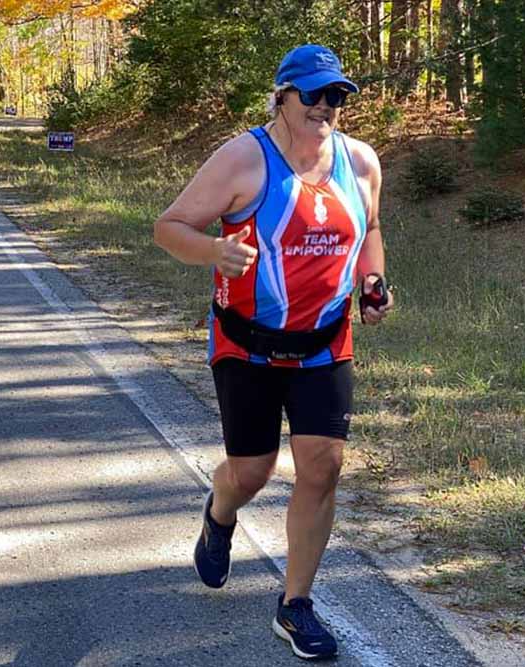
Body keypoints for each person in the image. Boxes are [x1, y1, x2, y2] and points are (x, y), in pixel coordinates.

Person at [153, 44, 393, 661]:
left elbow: (369, 231)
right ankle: (220, 512)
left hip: (324, 343)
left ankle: (295, 605)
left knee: (323, 467)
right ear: (282, 97)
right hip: (248, 344)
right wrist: (213, 253)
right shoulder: (242, 158)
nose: (324, 107)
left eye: (336, 96)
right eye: (312, 94)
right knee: (252, 472)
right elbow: (171, 226)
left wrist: (372, 283)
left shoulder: (360, 162)